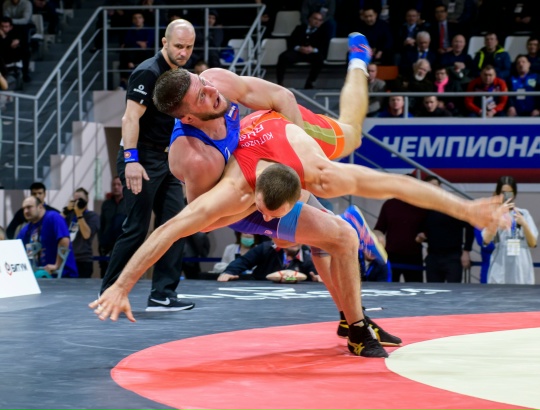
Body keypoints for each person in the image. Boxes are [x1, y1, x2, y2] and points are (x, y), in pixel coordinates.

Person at [92, 34, 507, 352]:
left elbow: (282, 97)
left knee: (350, 141)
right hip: (239, 200)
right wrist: (122, 285)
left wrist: (468, 210)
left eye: (204, 84)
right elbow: (182, 225)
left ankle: (358, 62)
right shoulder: (197, 160)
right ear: (187, 116)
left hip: (282, 137)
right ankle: (356, 324)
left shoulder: (220, 84)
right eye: (201, 96)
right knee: (338, 235)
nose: (212, 92)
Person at [99, 19, 196, 312]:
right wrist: (132, 160)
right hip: (141, 159)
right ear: (164, 43)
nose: (183, 52)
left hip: (167, 160)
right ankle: (110, 292)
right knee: (136, 228)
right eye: (178, 46)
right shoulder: (148, 71)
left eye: (189, 47)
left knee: (176, 225)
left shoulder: (182, 75)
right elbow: (130, 118)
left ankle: (162, 294)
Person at [416, 176, 474, 283]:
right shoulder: (425, 207)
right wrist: (421, 237)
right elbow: (426, 230)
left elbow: (470, 225)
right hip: (433, 256)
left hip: (453, 257)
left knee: (454, 290)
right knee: (433, 290)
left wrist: (466, 251)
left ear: (441, 187)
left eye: (435, 186)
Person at [482, 176, 538, 285]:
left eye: (509, 193)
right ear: (498, 194)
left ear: (515, 194)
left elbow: (533, 243)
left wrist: (524, 224)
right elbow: (486, 240)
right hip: (500, 265)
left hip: (521, 265)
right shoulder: (494, 214)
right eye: (503, 193)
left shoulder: (524, 214)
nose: (506, 196)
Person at [17, 196, 78, 277]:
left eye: (29, 207)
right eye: (24, 209)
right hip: (43, 276)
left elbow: (64, 240)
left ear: (40, 207)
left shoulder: (53, 217)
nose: (25, 211)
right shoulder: (27, 229)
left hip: (64, 276)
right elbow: (16, 248)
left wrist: (57, 265)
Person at [276, 12, 330, 89]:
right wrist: (299, 48)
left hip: (312, 54)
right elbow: (291, 42)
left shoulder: (323, 31)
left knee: (319, 59)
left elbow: (324, 47)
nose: (317, 22)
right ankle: (280, 82)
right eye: (315, 19)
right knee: (283, 56)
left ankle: (310, 82)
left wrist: (313, 49)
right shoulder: (299, 28)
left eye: (320, 20)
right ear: (310, 19)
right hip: (298, 52)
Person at [217, 241, 319, 282]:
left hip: (294, 298)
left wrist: (317, 276)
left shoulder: (307, 256)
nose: (294, 241)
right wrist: (229, 272)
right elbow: (244, 261)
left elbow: (315, 272)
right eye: (290, 238)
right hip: (262, 292)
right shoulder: (266, 248)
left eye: (298, 238)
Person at [62, 188, 100, 278]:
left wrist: (79, 214)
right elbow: (56, 225)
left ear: (87, 199)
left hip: (83, 260)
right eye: (75, 200)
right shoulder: (70, 215)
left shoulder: (92, 216)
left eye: (80, 200)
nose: (77, 202)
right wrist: (66, 211)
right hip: (68, 259)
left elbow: (87, 235)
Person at [98, 176, 126, 278]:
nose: (116, 187)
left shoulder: (129, 203)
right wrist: (101, 243)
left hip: (123, 245)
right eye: (114, 185)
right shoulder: (106, 204)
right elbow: (102, 225)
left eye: (119, 184)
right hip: (107, 246)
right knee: (105, 274)